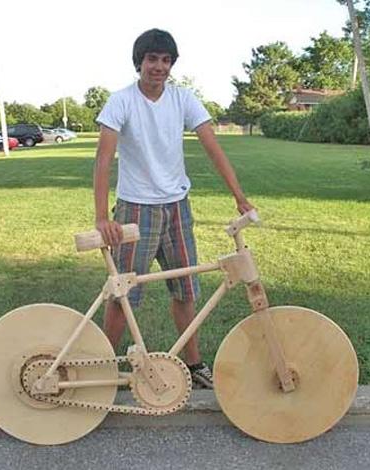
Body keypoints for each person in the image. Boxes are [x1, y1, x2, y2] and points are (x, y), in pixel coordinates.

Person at [94, 28, 254, 388]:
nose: (159, 67)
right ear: (140, 62)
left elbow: (213, 147)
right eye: (152, 59)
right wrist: (102, 216)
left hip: (177, 209)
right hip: (136, 209)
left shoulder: (183, 99)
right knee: (124, 293)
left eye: (166, 60)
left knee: (186, 290)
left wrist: (238, 195)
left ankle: (194, 365)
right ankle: (101, 367)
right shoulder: (121, 101)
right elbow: (103, 160)